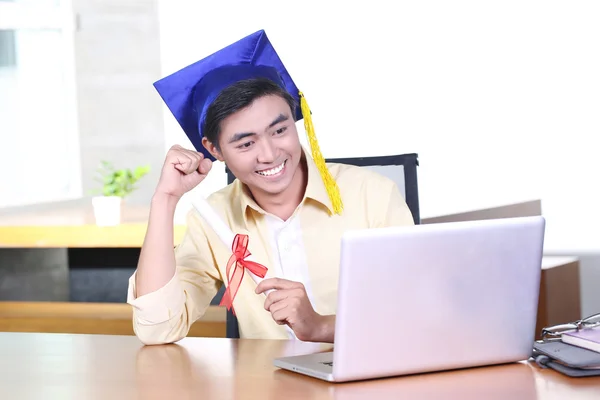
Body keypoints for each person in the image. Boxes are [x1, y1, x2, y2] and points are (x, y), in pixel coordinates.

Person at [127, 29, 414, 345]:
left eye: (279, 130)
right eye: (247, 142)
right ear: (214, 150)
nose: (270, 154)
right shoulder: (213, 219)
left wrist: (320, 327)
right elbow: (157, 329)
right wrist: (165, 200)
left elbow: (418, 314)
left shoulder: (372, 195)